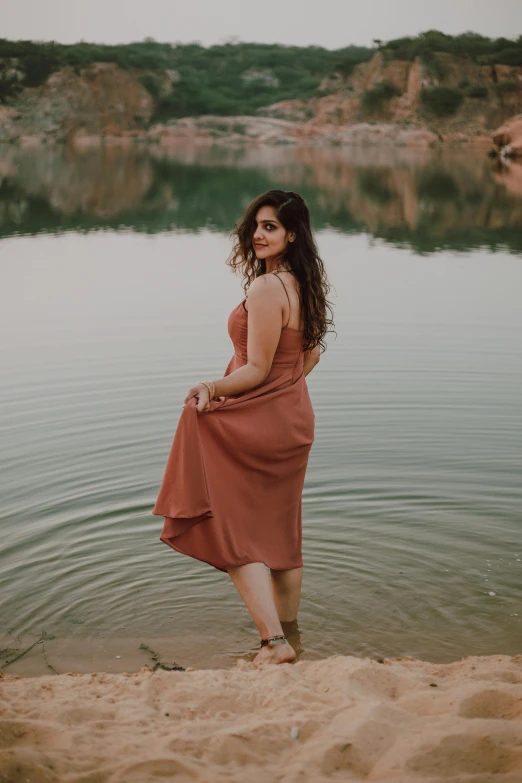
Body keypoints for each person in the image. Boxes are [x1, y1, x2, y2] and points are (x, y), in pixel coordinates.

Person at [152, 189, 334, 666]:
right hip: (293, 419)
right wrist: (280, 395)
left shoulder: (266, 288)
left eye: (270, 226)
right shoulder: (304, 283)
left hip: (263, 423)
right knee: (282, 533)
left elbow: (255, 369)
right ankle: (292, 635)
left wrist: (211, 387)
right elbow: (309, 355)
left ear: (292, 234)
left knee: (231, 529)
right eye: (256, 224)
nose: (258, 233)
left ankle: (274, 646)